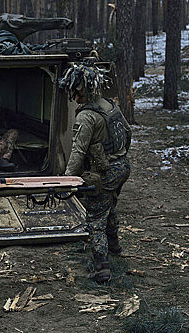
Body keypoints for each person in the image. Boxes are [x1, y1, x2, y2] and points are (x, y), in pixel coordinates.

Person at [59, 63, 131, 283]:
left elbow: (78, 151)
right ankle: (115, 247)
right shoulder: (109, 105)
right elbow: (127, 133)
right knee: (108, 209)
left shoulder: (87, 117)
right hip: (122, 166)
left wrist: (66, 181)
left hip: (105, 172)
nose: (74, 95)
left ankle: (102, 267)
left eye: (76, 90)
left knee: (95, 219)